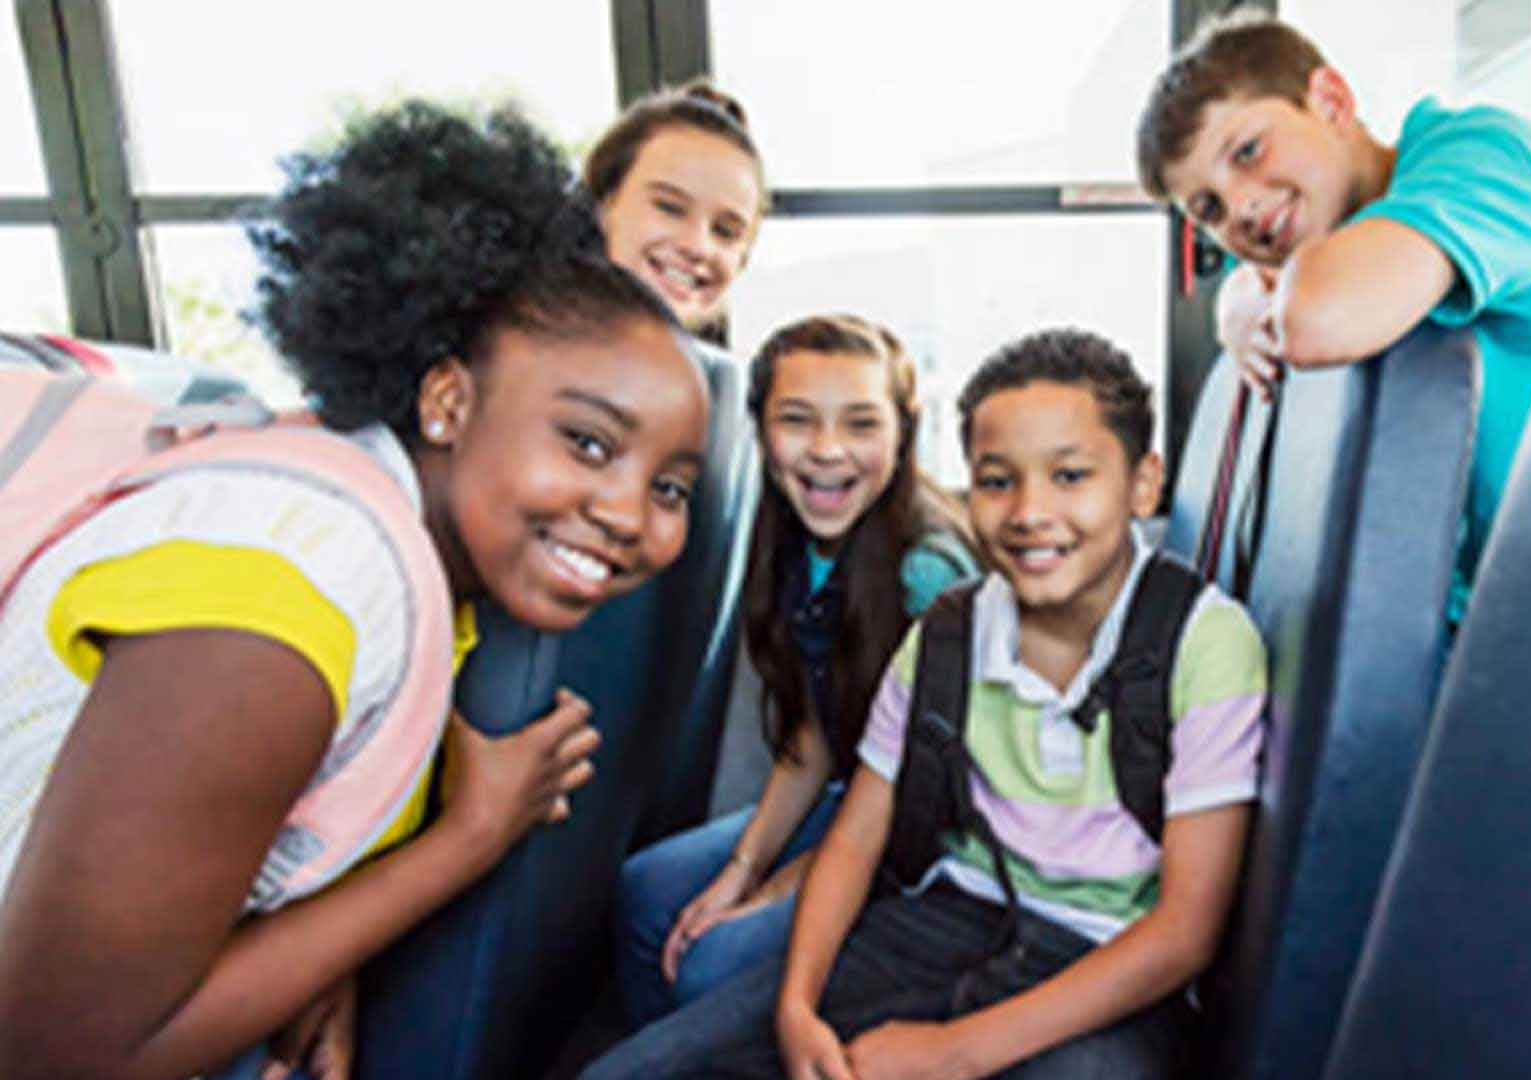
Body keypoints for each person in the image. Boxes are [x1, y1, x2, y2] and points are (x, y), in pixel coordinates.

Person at [0, 101, 710, 1080]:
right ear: (448, 400)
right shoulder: (291, 584)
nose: (633, 515)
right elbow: (58, 1053)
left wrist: (308, 954)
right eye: (586, 443)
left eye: (671, 487)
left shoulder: (406, 554)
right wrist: (469, 837)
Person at [584, 328, 1269, 1079]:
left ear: (1143, 483)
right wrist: (797, 1005)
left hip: (1105, 958)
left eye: (1071, 476)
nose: (1030, 512)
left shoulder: (1206, 641)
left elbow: (1184, 931)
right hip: (942, 921)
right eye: (997, 480)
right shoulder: (949, 630)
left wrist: (954, 1053)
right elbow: (855, 836)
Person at [1136, 9, 1531, 619]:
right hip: (1502, 619)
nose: (1240, 208)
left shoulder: (1483, 156)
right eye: (1209, 208)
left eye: (1248, 151)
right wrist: (1240, 294)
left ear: (1332, 101)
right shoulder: (1369, 244)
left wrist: (1253, 296)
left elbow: (1317, 318)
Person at [612, 313, 977, 1029]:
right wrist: (741, 871)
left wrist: (782, 886)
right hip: (852, 793)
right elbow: (812, 732)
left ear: (903, 431)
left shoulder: (928, 574)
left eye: (861, 425)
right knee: (647, 890)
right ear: (760, 430)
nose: (828, 451)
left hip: (931, 835)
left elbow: (934, 804)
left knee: (712, 961)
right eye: (798, 421)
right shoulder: (793, 544)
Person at [586, 80, 769, 347]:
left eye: (725, 231)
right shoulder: (520, 359)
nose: (697, 246)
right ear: (605, 205)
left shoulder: (726, 382)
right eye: (670, 208)